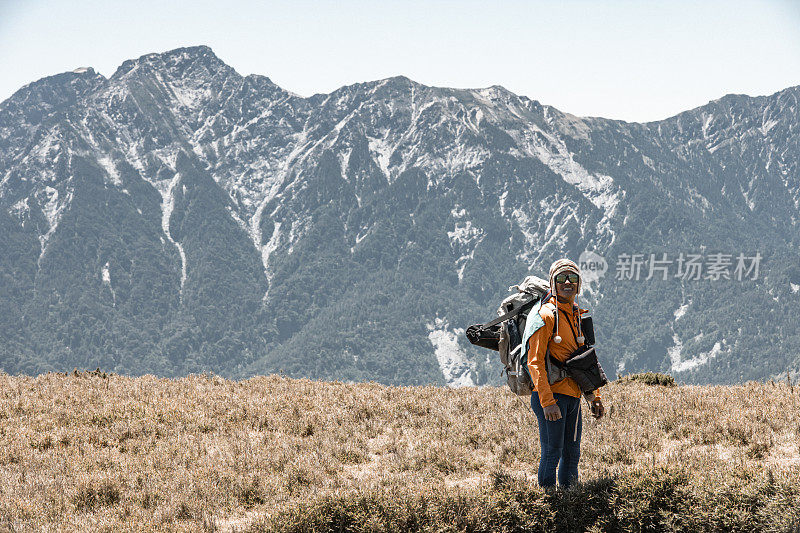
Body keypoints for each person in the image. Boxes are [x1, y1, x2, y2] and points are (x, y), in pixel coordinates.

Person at [525, 258, 604, 490]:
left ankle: (570, 502)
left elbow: (585, 360)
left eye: (572, 278)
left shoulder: (578, 316)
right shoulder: (545, 316)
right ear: (553, 283)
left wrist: (594, 397)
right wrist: (547, 402)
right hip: (552, 398)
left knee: (572, 453)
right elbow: (535, 362)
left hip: (573, 398)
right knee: (552, 452)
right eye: (561, 278)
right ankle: (548, 504)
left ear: (579, 285)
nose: (567, 283)